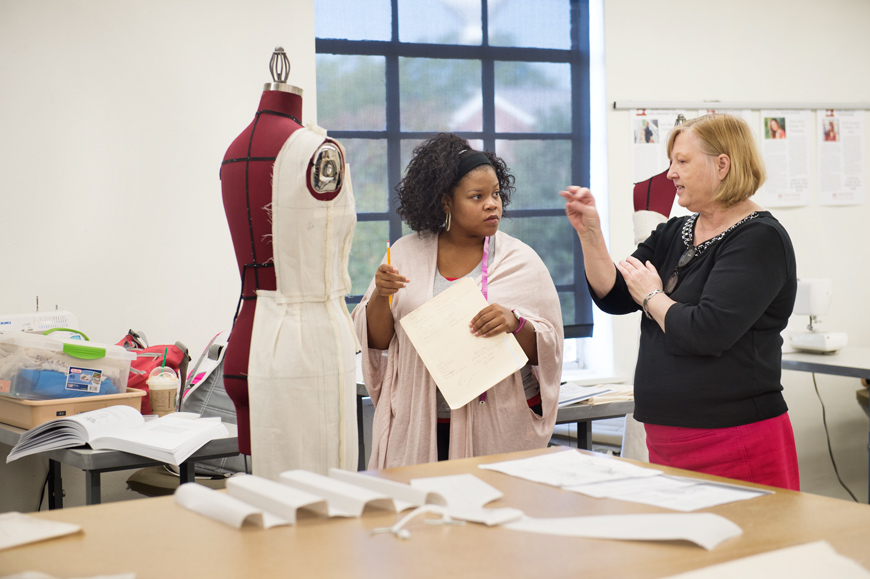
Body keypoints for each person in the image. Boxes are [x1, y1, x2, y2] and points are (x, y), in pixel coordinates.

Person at [560, 114, 800, 490]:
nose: (670, 173)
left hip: (733, 438)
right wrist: (591, 236)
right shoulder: (674, 231)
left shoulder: (759, 239)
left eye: (682, 161)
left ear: (723, 164)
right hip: (668, 437)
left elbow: (706, 332)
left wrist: (653, 296)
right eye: (671, 161)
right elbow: (616, 296)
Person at [352, 133, 564, 468]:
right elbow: (377, 342)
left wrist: (515, 322)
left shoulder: (520, 261)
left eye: (496, 193)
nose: (492, 204)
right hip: (419, 425)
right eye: (477, 196)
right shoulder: (406, 253)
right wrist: (381, 294)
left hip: (495, 426)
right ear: (445, 202)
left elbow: (548, 349)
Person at [221, 50, 358, 478]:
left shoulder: (233, 150)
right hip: (304, 347)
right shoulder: (319, 151)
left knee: (271, 496)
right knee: (317, 499)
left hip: (247, 335)